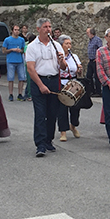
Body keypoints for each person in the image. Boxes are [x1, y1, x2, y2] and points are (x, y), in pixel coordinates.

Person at [25, 18, 66, 157]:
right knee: (40, 114)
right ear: (38, 29)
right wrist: (41, 85)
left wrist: (61, 60)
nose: (48, 29)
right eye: (45, 27)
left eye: (49, 26)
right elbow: (30, 69)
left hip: (53, 80)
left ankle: (49, 140)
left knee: (52, 113)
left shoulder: (56, 45)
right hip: (39, 81)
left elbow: (63, 67)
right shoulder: (32, 47)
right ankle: (40, 144)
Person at [57, 35, 82, 142]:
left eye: (70, 44)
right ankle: (63, 132)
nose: (68, 46)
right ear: (61, 45)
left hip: (73, 84)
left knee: (76, 108)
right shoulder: (57, 56)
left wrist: (79, 70)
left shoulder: (74, 56)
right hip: (62, 83)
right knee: (62, 109)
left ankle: (73, 125)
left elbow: (78, 71)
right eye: (66, 43)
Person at [2, 24, 27, 101]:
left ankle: (20, 94)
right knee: (10, 78)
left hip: (20, 61)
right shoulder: (7, 40)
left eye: (18, 30)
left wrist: (20, 51)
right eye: (15, 30)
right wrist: (12, 49)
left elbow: (23, 50)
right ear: (12, 31)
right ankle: (11, 94)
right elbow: (4, 51)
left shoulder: (21, 40)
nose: (17, 31)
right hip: (10, 61)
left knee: (22, 78)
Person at [86, 27, 103, 96]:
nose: (87, 34)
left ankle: (98, 92)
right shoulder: (90, 40)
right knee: (88, 76)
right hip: (91, 60)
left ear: (91, 33)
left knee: (96, 76)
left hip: (96, 61)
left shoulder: (97, 40)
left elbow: (100, 49)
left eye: (87, 33)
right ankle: (91, 90)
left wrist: (97, 58)